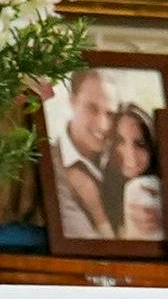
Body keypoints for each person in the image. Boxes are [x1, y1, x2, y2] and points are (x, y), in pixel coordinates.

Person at [49, 70, 122, 242]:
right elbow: (83, 242)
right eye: (92, 108)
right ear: (72, 101)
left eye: (110, 114)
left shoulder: (123, 160)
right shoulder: (51, 163)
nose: (103, 125)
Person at [107, 102, 166, 240]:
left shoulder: (159, 188)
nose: (130, 154)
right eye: (120, 141)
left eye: (140, 144)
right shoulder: (102, 187)